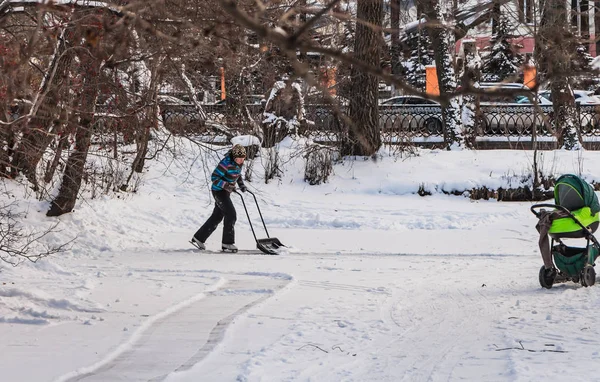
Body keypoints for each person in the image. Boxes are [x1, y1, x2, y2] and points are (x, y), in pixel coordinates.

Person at [192, 144, 247, 251]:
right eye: (238, 159)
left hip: (226, 192)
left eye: (242, 159)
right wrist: (227, 185)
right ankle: (227, 243)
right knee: (231, 214)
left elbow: (237, 175)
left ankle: (199, 238)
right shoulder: (226, 163)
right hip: (219, 191)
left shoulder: (238, 164)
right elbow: (214, 177)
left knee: (217, 216)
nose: (240, 161)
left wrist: (242, 185)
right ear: (234, 157)